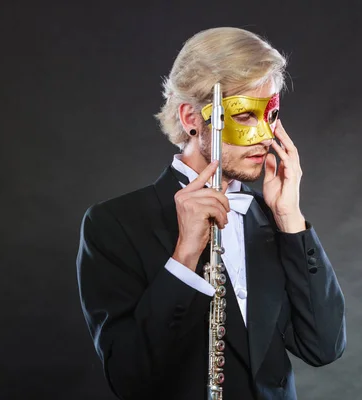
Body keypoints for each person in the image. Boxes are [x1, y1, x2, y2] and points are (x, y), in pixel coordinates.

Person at [76, 27, 346, 400]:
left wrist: (290, 220)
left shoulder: (269, 218)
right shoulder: (114, 225)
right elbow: (129, 378)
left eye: (271, 114)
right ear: (191, 117)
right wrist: (184, 258)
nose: (266, 136)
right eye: (246, 115)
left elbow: (324, 347)